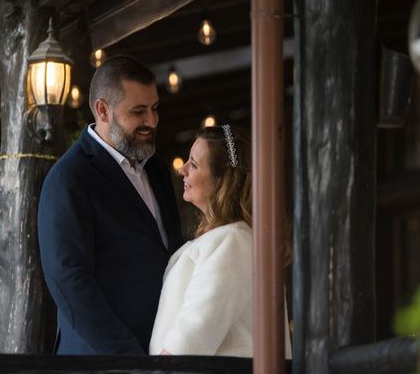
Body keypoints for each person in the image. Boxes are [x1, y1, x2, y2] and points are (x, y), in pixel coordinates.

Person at [38, 55, 183, 355]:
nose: (152, 122)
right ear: (103, 110)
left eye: (155, 109)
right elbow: (69, 282)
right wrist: (128, 358)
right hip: (102, 359)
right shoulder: (68, 179)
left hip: (162, 351)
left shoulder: (156, 169)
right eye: (138, 112)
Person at [149, 125, 292, 358]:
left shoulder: (234, 242)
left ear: (221, 182)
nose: (183, 169)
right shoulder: (228, 239)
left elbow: (195, 331)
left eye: (194, 164)